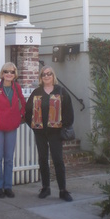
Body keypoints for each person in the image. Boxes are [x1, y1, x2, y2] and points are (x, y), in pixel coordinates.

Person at [25, 65, 74, 202]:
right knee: (42, 159)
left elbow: (69, 112)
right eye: (44, 74)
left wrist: (63, 126)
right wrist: (33, 126)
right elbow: (28, 112)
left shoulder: (61, 92)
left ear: (53, 76)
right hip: (40, 132)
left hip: (56, 133)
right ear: (41, 78)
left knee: (58, 160)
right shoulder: (36, 93)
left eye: (49, 74)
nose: (46, 76)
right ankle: (45, 187)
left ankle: (63, 190)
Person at [0, 62, 26, 198]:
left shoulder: (17, 88)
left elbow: (23, 104)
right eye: (6, 71)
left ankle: (8, 186)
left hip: (11, 128)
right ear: (2, 73)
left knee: (8, 159)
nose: (9, 74)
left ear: (15, 74)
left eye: (12, 72)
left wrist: (19, 117)